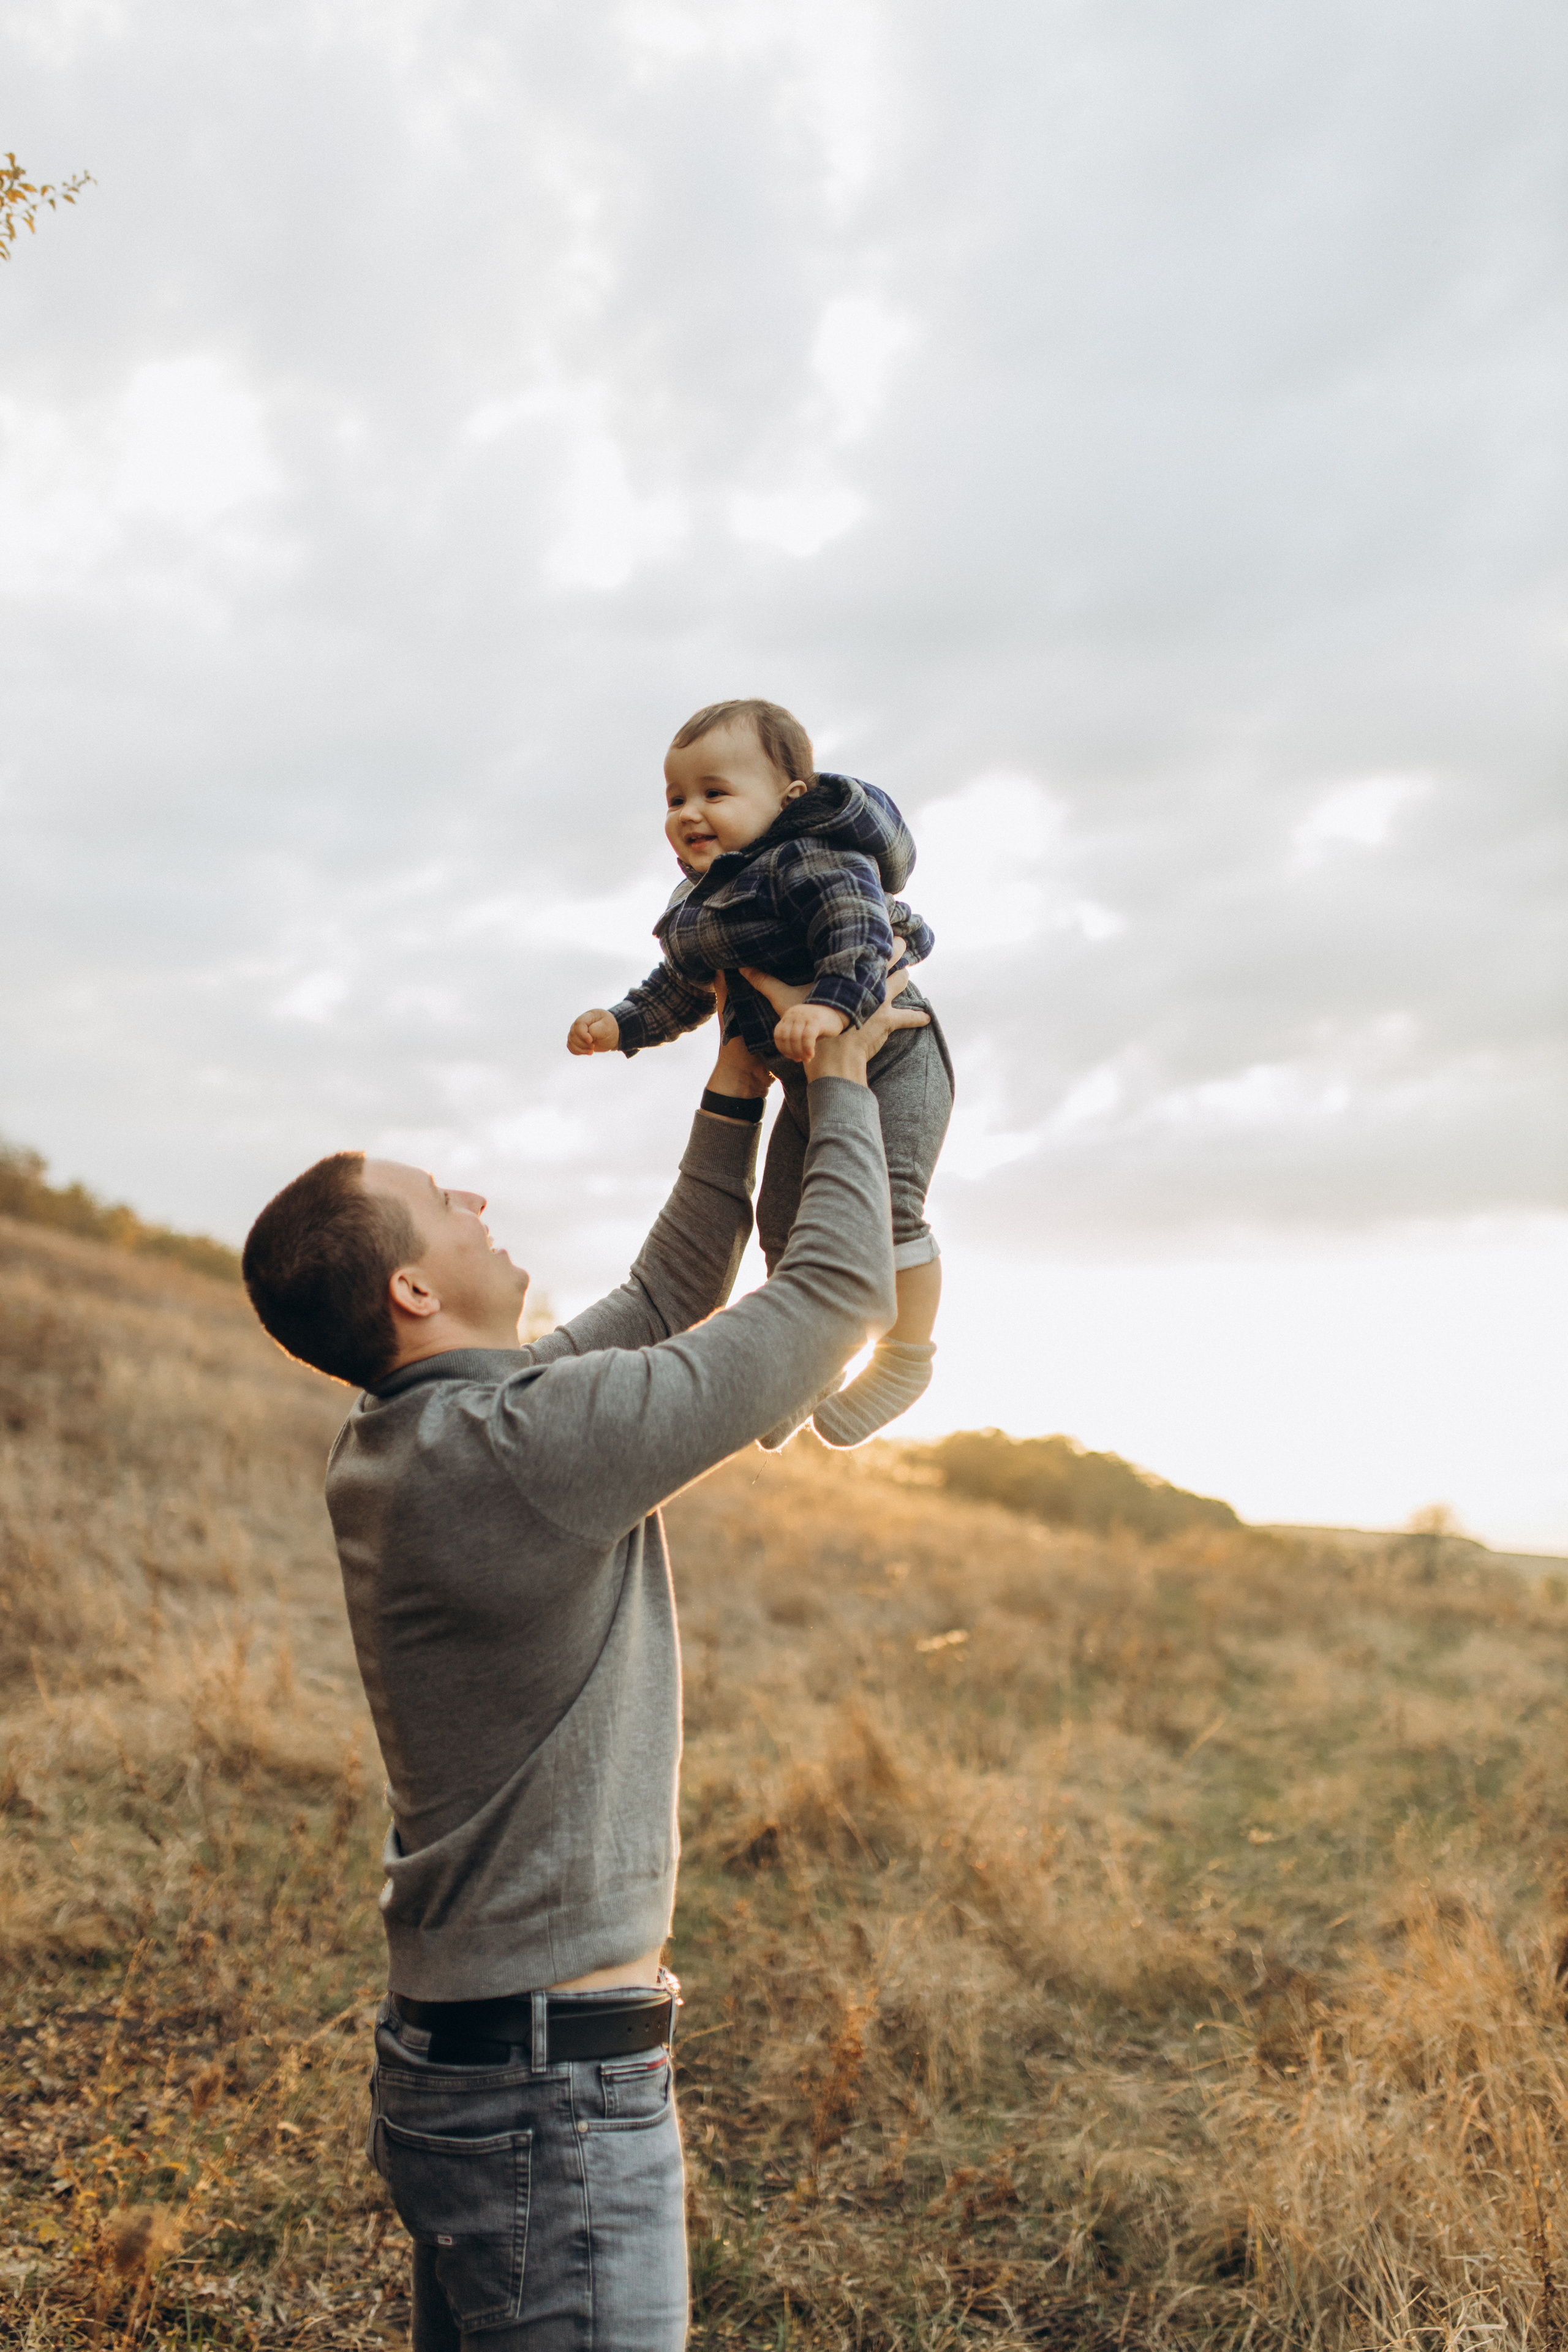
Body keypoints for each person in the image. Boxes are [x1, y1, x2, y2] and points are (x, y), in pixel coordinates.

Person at [240, 985, 927, 2352]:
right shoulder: (518, 1454)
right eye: (446, 1202)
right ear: (414, 1288)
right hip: (544, 2099)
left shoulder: (432, 1437)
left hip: (487, 2060)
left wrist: (735, 1085)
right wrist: (841, 1084)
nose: (477, 1199)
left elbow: (673, 1294)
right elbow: (838, 1294)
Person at [567, 697, 954, 1450]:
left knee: (890, 1208)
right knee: (785, 1229)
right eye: (676, 798)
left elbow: (860, 938)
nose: (689, 812)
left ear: (789, 799)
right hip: (803, 1080)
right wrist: (623, 1024)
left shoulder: (815, 861)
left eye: (715, 792)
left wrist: (831, 1009)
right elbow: (681, 987)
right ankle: (803, 1369)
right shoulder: (702, 903)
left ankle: (905, 1358)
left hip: (893, 1055)